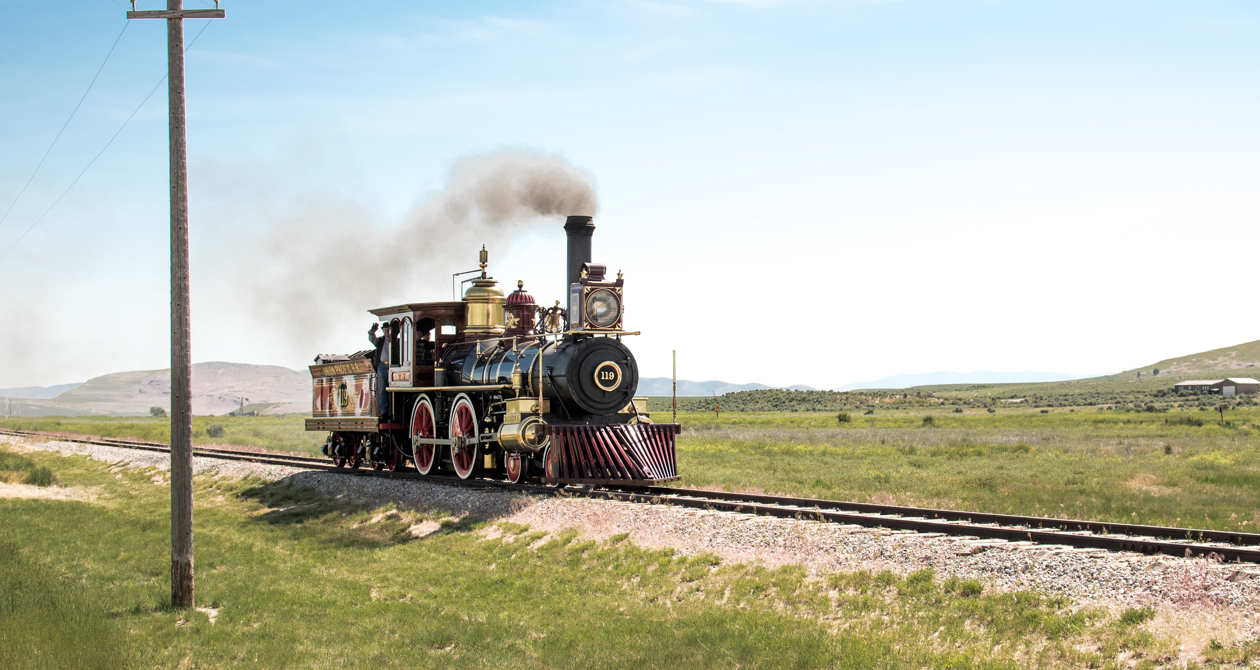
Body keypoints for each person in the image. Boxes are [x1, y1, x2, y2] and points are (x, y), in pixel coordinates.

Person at [369, 322, 391, 418]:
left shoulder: (396, 341)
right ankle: (383, 410)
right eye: (385, 329)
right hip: (382, 366)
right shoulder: (380, 341)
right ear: (383, 330)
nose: (386, 331)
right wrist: (372, 331)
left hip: (393, 366)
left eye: (388, 329)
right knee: (382, 388)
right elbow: (372, 339)